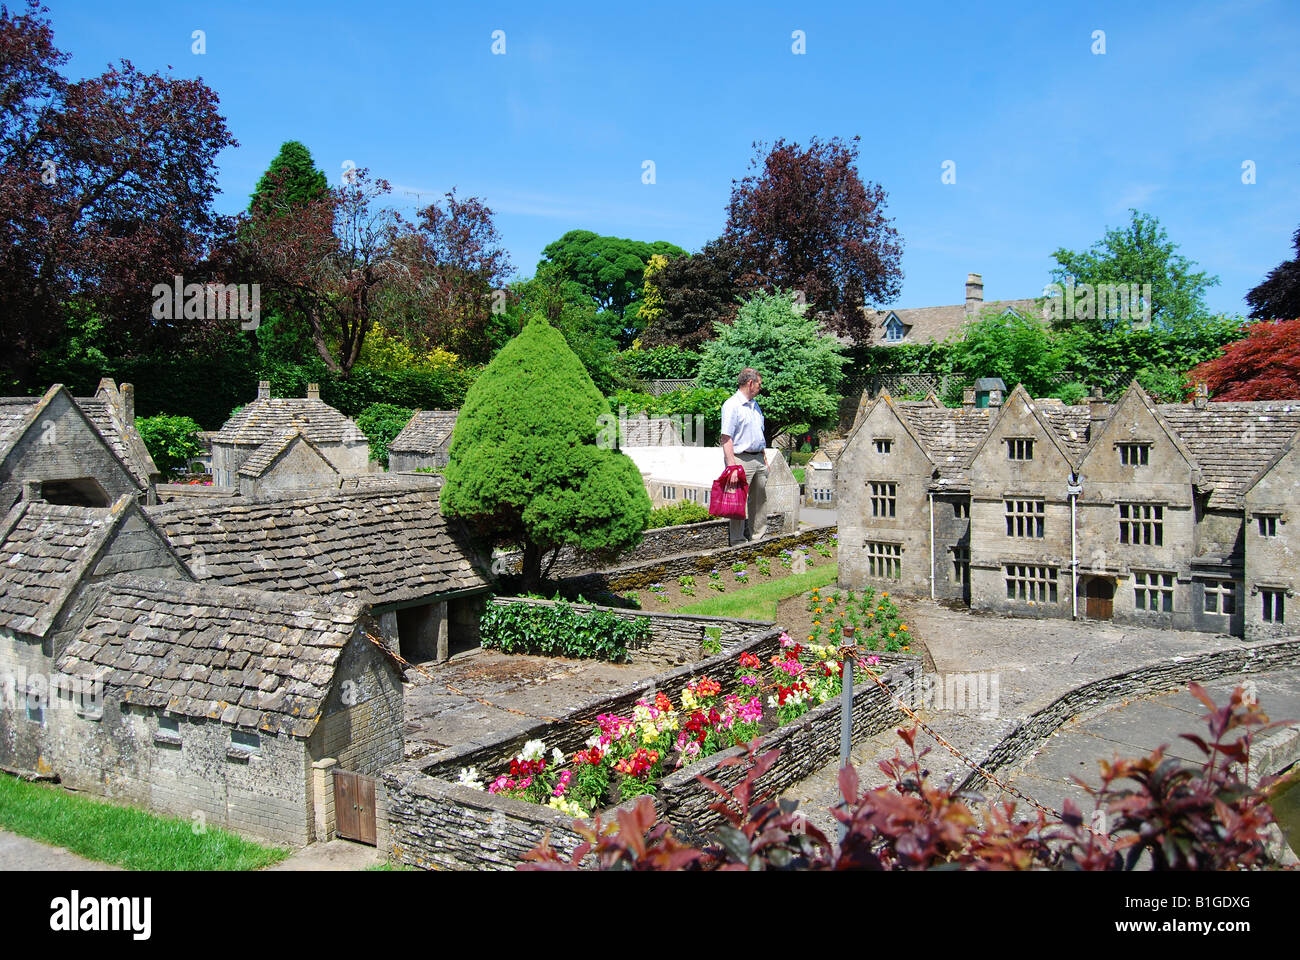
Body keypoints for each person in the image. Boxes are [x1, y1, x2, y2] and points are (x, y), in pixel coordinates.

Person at [720, 367, 768, 545]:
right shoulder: (731, 405)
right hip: (741, 459)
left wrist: (764, 458)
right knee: (738, 501)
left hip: (758, 459)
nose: (760, 388)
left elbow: (759, 434)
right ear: (750, 383)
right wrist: (731, 466)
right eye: (759, 384)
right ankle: (738, 540)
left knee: (760, 500)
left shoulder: (755, 405)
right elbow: (726, 438)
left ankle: (758, 537)